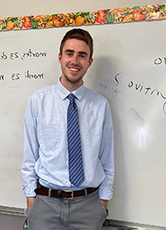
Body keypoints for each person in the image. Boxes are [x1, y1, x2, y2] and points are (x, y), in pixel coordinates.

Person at [21, 28, 115, 230]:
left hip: (88, 206)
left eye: (82, 55)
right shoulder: (38, 101)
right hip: (45, 204)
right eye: (69, 53)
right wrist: (31, 197)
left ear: (89, 62)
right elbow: (30, 155)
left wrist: (103, 201)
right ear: (60, 57)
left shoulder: (100, 105)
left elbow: (107, 157)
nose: (75, 60)